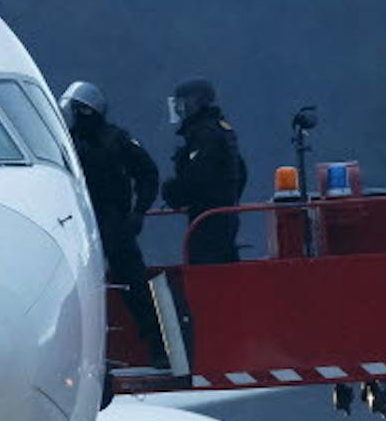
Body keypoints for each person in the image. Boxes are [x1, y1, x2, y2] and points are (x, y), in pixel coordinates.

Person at [59, 81, 164, 365]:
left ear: (87, 111)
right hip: (79, 221)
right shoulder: (64, 143)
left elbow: (148, 173)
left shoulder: (114, 140)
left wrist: (137, 213)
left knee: (134, 284)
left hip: (110, 221)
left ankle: (159, 347)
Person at [164, 77, 247, 265]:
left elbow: (198, 177)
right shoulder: (219, 130)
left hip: (208, 220)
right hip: (222, 216)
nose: (178, 109)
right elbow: (241, 172)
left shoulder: (206, 134)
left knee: (205, 269)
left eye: (182, 103)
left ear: (196, 101)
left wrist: (174, 192)